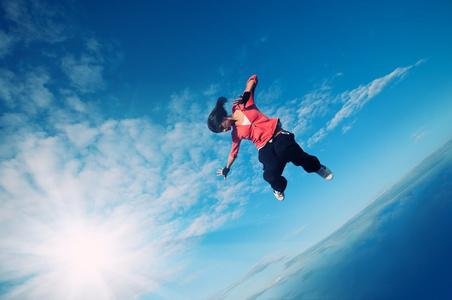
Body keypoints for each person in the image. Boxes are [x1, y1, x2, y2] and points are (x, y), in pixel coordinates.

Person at [207, 75, 333, 201]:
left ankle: (316, 167)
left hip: (277, 134)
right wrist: (227, 168)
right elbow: (233, 152)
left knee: (285, 149)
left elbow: (253, 79)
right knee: (269, 175)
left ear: (221, 118)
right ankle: (278, 188)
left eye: (221, 127)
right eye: (221, 131)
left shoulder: (243, 105)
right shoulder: (235, 133)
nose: (224, 130)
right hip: (263, 147)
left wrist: (247, 93)